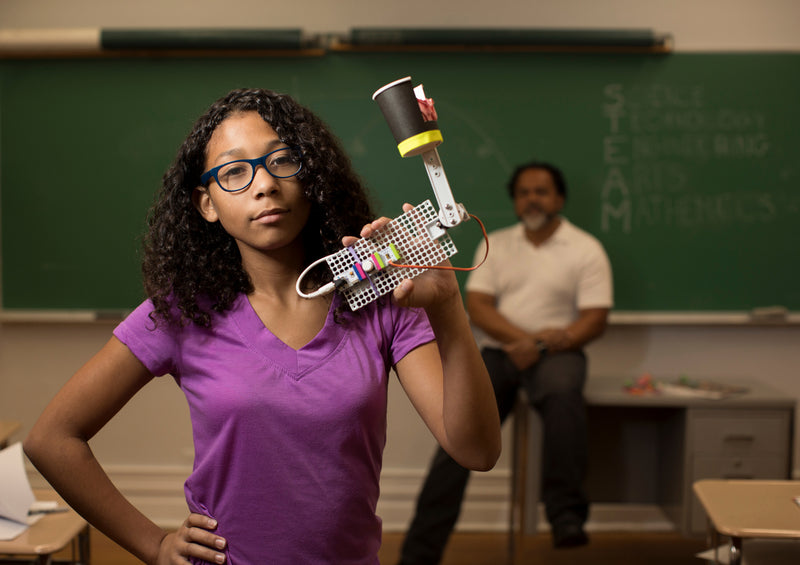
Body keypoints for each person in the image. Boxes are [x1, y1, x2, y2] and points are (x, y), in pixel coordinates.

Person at [23, 88, 501, 565]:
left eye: (282, 161)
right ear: (206, 203)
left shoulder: (383, 299)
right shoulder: (183, 311)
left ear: (311, 177)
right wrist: (154, 544)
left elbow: (476, 451)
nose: (264, 184)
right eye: (234, 171)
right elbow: (53, 439)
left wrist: (446, 309)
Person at [397, 161, 613, 563]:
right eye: (524, 192)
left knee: (565, 397)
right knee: (457, 432)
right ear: (515, 201)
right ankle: (418, 553)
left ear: (559, 199)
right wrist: (524, 342)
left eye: (541, 191)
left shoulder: (585, 248)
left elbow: (595, 317)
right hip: (502, 353)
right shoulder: (494, 243)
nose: (532, 199)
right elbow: (477, 306)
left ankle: (566, 516)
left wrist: (542, 346)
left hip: (558, 353)